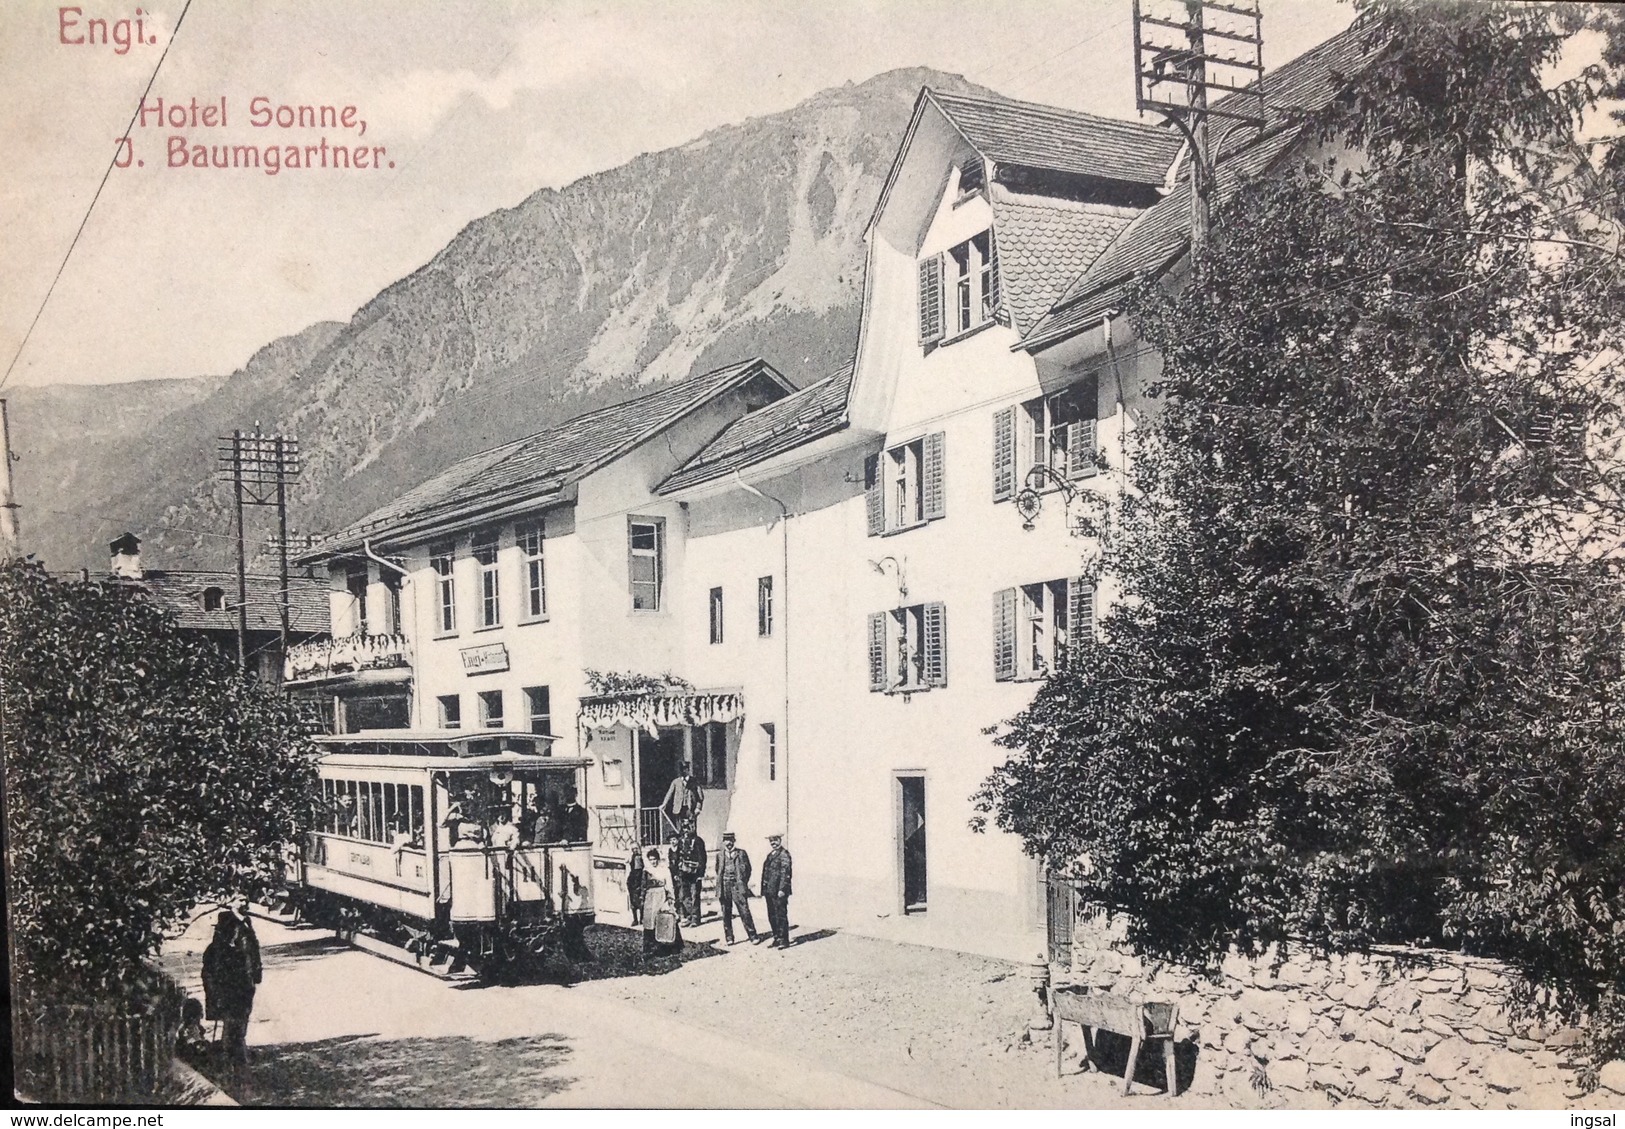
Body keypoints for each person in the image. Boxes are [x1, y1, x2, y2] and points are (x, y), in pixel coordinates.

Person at [201, 904, 262, 1067]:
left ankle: (233, 1053)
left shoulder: (217, 949)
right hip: (232, 993)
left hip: (237, 993)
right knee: (234, 1024)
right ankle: (235, 1056)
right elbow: (209, 974)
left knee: (234, 1024)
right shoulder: (227, 952)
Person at [716, 831, 759, 945]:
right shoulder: (720, 855)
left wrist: (742, 882)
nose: (728, 843)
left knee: (744, 911)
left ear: (734, 841)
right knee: (726, 913)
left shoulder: (741, 853)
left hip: (737, 886)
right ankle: (729, 937)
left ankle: (753, 936)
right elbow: (718, 870)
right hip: (724, 886)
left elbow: (748, 869)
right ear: (723, 842)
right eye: (726, 840)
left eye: (730, 840)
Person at [640, 847, 683, 958]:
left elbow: (669, 885)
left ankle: (669, 947)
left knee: (664, 919)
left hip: (661, 896)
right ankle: (649, 948)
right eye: (651, 860)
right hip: (650, 897)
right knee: (649, 922)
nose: (653, 862)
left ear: (658, 859)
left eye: (655, 859)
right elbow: (643, 886)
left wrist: (670, 898)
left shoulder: (664, 870)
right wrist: (642, 898)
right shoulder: (646, 871)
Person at [671, 818, 707, 928]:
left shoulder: (698, 841)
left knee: (695, 895)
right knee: (683, 896)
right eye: (684, 828)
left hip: (695, 874)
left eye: (688, 828)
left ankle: (696, 918)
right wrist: (677, 872)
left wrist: (701, 874)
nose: (686, 830)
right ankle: (690, 915)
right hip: (683, 873)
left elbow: (702, 858)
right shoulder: (680, 841)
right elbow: (676, 858)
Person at [761, 833, 793, 949]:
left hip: (779, 892)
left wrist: (782, 889)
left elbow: (786, 874)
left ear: (780, 840)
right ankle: (776, 938)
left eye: (775, 840)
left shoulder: (784, 854)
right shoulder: (770, 855)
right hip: (770, 891)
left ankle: (784, 940)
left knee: (781, 915)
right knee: (772, 915)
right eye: (771, 841)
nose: (773, 843)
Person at [660, 764, 703, 829]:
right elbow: (669, 793)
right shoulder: (675, 781)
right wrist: (664, 804)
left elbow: (700, 796)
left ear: (688, 770)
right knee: (679, 829)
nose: (684, 771)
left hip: (690, 808)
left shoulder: (694, 781)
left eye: (685, 769)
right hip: (678, 809)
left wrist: (698, 808)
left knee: (691, 828)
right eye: (682, 769)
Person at [627, 847, 648, 926]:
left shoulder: (641, 858)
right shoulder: (631, 858)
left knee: (641, 902)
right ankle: (635, 919)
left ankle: (642, 918)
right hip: (633, 883)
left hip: (639, 883)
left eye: (636, 848)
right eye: (633, 849)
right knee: (633, 903)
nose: (635, 850)